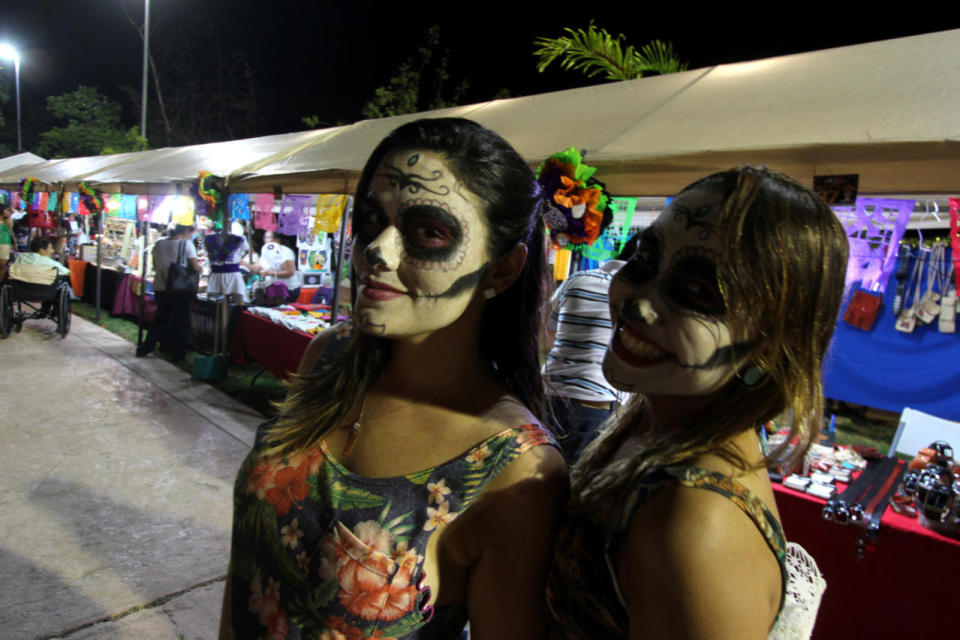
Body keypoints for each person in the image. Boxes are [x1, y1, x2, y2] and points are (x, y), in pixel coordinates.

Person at [221, 118, 566, 640]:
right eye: (370, 220)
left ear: (502, 270)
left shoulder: (515, 469)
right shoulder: (329, 357)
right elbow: (249, 567)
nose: (376, 251)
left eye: (427, 231)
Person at [546, 167, 849, 640]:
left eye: (699, 293)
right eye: (644, 257)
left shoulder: (693, 520)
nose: (638, 304)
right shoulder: (654, 424)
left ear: (773, 345)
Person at [543, 236, 639, 465]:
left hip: (548, 394)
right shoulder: (637, 293)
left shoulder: (578, 279)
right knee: (570, 485)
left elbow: (548, 330)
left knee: (535, 477)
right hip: (594, 404)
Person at [136, 224, 202, 361]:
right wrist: (201, 269)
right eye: (192, 233)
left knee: (161, 319)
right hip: (179, 288)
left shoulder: (159, 244)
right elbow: (194, 267)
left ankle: (147, 347)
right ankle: (178, 353)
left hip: (160, 286)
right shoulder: (186, 245)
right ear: (187, 231)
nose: (192, 236)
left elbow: (155, 264)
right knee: (181, 321)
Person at [252, 230, 301, 303]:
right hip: (274, 289)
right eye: (265, 238)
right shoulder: (266, 252)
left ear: (277, 240)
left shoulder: (285, 252)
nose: (265, 240)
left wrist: (270, 273)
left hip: (289, 289)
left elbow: (289, 272)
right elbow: (257, 267)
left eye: (268, 237)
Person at [204, 230, 250, 304]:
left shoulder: (239, 239)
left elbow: (246, 250)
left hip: (233, 275)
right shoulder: (209, 239)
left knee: (239, 303)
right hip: (216, 275)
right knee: (213, 306)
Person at [0, 205, 14, 282]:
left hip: (5, 244)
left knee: (2, 267)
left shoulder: (8, 221)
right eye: (7, 211)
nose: (9, 213)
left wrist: (14, 244)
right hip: (4, 245)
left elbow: (11, 233)